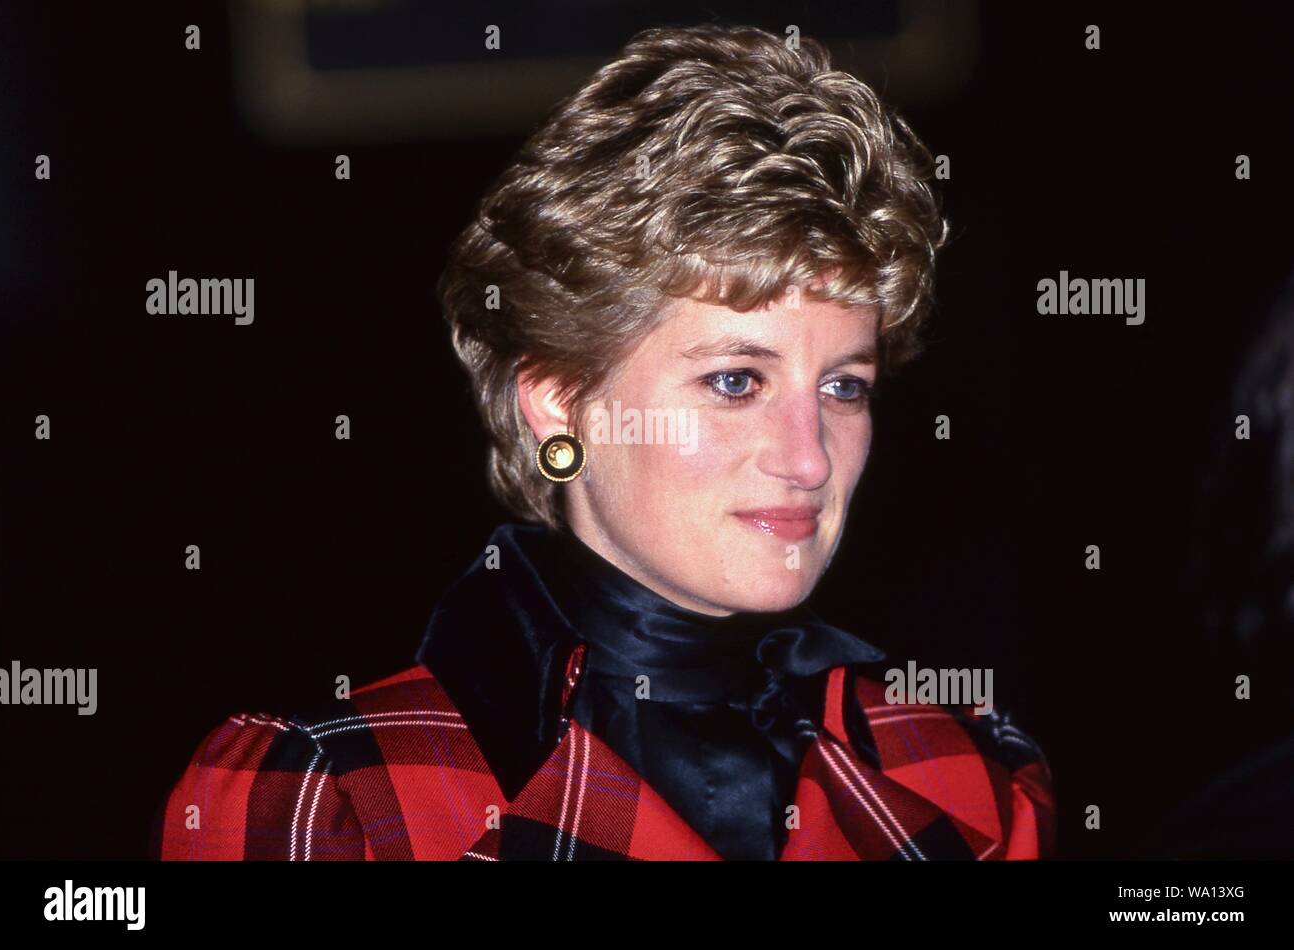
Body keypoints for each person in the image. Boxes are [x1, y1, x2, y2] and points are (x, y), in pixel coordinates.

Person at [153, 22, 1055, 861]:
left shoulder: (963, 781)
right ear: (556, 401)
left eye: (843, 387)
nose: (810, 458)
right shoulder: (341, 798)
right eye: (735, 381)